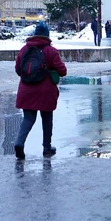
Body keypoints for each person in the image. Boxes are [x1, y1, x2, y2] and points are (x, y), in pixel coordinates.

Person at [13, 22, 67, 159]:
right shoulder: (51, 51)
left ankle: (19, 143)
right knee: (47, 118)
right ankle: (47, 147)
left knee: (28, 118)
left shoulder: (24, 50)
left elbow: (18, 70)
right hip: (46, 91)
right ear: (47, 35)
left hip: (26, 89)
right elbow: (63, 71)